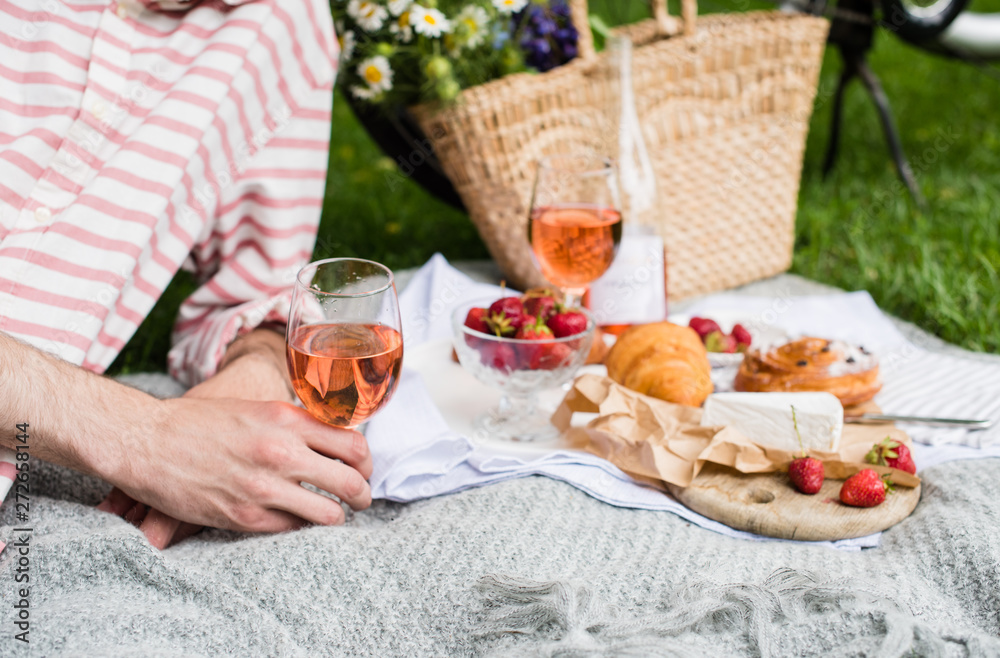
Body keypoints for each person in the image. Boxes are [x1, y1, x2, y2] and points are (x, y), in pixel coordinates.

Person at [0, 0, 372, 549]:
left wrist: (246, 391)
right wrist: (147, 437)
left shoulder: (277, 24)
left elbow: (260, 298)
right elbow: (148, 437)